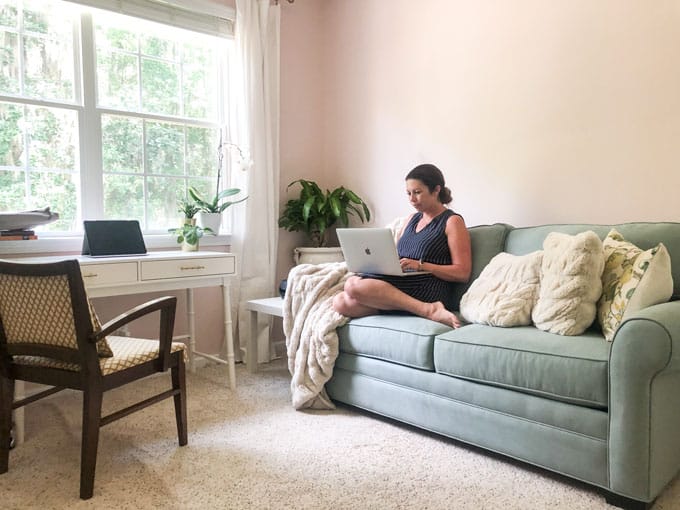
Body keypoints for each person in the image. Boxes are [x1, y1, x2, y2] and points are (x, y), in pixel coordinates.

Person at [332, 164, 472, 328]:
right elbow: (397, 256)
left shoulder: (452, 221)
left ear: (436, 190)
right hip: (403, 281)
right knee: (340, 302)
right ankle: (410, 308)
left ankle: (429, 309)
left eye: (417, 192)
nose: (412, 199)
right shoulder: (411, 219)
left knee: (353, 286)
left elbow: (463, 272)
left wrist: (421, 266)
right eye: (409, 193)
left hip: (429, 285)